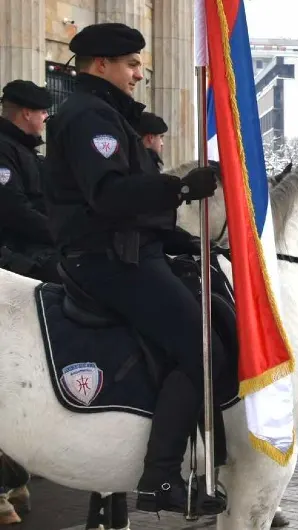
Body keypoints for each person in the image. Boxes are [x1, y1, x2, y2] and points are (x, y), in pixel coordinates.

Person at [43, 23, 225, 515]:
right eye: (132, 64)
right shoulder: (90, 118)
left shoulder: (108, 116)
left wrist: (185, 241)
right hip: (109, 261)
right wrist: (180, 188)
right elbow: (109, 196)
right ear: (100, 64)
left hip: (129, 252)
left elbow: (136, 207)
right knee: (201, 347)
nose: (140, 74)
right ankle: (160, 477)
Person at [0, 79, 60, 283]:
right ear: (27, 113)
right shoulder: (4, 150)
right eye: (43, 112)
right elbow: (15, 211)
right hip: (19, 251)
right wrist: (61, 233)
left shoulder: (25, 151)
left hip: (37, 246)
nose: (45, 118)